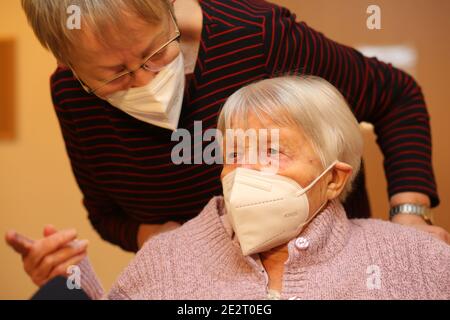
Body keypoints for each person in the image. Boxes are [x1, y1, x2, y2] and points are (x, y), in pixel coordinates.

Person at [15, 0, 448, 273]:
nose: (145, 79)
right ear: (71, 67)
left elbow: (396, 96)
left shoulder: (259, 36)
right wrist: (67, 282)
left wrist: (409, 214)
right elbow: (106, 215)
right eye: (114, 76)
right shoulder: (72, 96)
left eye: (155, 52)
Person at [7, 76, 449, 299]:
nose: (246, 171)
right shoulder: (167, 258)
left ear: (334, 178)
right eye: (236, 151)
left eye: (272, 151)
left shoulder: (409, 258)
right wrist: (68, 284)